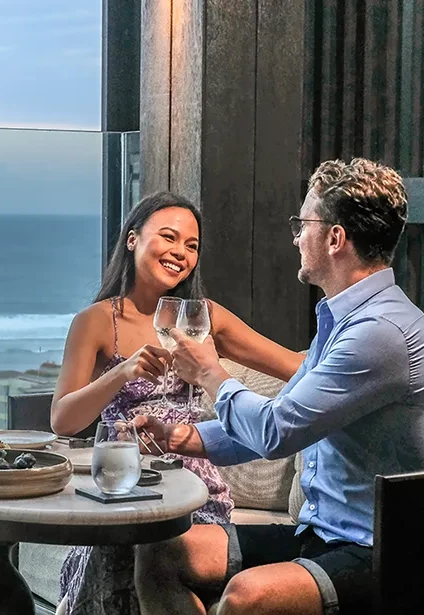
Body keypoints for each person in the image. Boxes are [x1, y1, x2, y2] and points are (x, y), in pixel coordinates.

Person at [133, 159, 424, 615]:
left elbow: (276, 432)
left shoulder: (382, 331)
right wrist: (180, 437)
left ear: (335, 238)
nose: (296, 237)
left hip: (379, 551)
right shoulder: (342, 320)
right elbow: (278, 417)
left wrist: (209, 373)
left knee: (247, 597)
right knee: (162, 553)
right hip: (319, 534)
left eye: (303, 224)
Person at [51, 191, 305, 615]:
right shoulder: (95, 321)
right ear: (132, 239)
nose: (180, 253)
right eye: (168, 237)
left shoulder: (203, 317)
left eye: (191, 245)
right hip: (123, 479)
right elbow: (62, 420)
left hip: (192, 485)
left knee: (155, 554)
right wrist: (121, 372)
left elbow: (295, 369)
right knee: (112, 553)